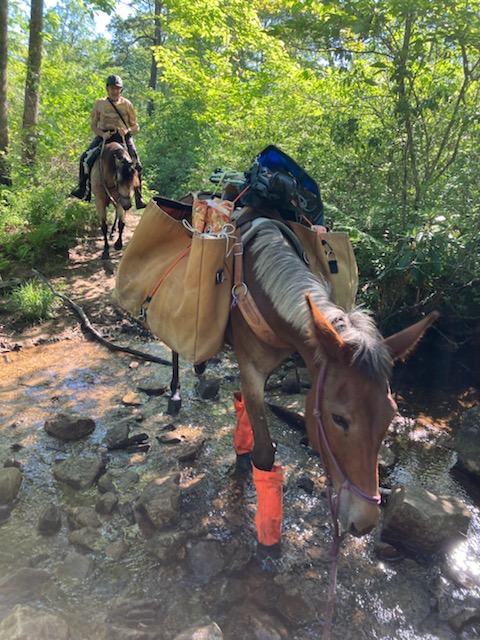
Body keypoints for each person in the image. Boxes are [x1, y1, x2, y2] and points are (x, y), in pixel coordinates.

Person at [70, 74, 147, 209]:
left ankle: (138, 197)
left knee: (137, 164)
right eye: (111, 88)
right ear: (107, 89)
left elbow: (136, 126)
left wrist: (127, 130)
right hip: (105, 135)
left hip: (123, 136)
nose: (114, 91)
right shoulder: (100, 104)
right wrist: (102, 134)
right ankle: (83, 189)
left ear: (121, 90)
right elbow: (93, 125)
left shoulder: (127, 104)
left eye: (117, 88)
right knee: (85, 158)